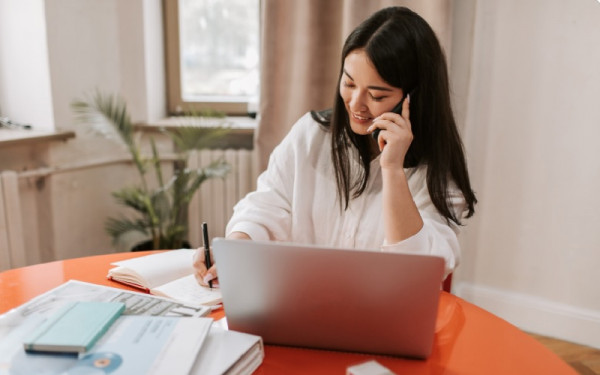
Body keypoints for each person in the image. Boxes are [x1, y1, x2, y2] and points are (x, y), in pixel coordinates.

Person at [193, 6, 476, 285]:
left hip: (382, 318)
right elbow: (266, 205)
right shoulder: (311, 135)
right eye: (350, 83)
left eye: (376, 96)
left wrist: (393, 170)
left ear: (414, 99)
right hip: (300, 305)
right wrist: (235, 250)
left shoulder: (437, 169)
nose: (355, 104)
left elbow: (419, 271)